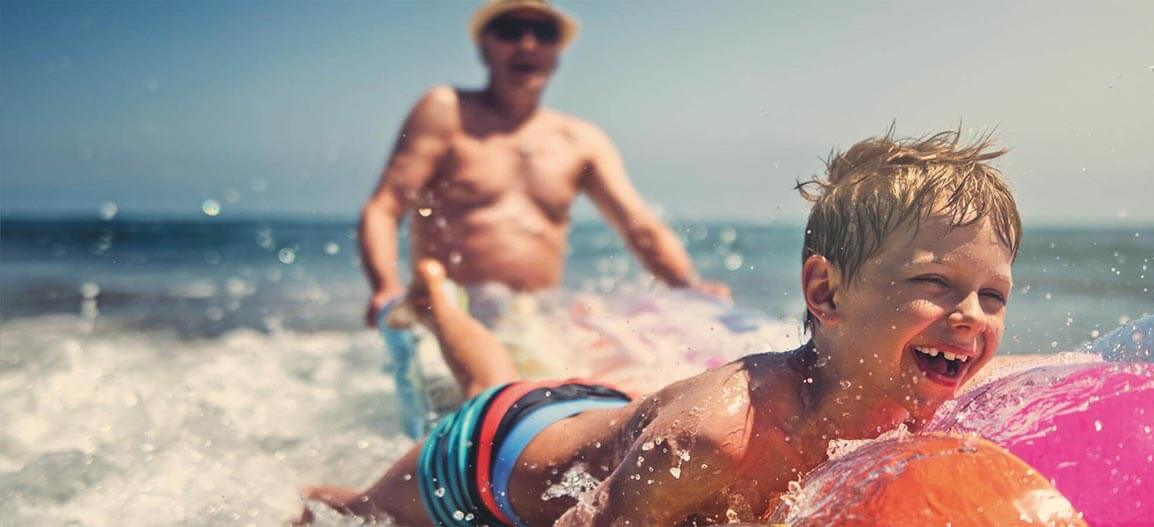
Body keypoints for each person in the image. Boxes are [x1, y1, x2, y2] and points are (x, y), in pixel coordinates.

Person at [303, 130, 1024, 526]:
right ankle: (433, 300)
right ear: (824, 292)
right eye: (933, 284)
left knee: (497, 372)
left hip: (598, 415)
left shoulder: (929, 391)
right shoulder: (718, 434)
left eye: (992, 295)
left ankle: (442, 303)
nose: (970, 317)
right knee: (360, 510)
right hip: (488, 457)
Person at [359, 0, 726, 330]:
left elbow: (639, 227)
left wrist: (688, 287)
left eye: (544, 33)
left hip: (538, 320)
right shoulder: (447, 111)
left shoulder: (581, 140)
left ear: (557, 53)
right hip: (449, 315)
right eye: (510, 31)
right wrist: (385, 287)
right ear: (484, 48)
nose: (527, 44)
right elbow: (385, 206)